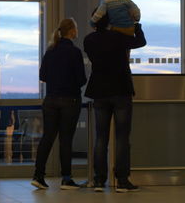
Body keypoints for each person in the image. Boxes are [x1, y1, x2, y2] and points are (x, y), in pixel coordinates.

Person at [83, 14, 146, 193]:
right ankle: (122, 180)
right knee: (122, 137)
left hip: (99, 91)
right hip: (121, 89)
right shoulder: (119, 38)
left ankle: (99, 180)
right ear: (111, 22)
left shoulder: (89, 40)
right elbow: (140, 42)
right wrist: (135, 25)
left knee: (101, 137)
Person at [32, 18, 87, 190]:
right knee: (65, 140)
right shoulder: (75, 52)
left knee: (47, 138)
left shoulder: (50, 51)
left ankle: (38, 176)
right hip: (70, 100)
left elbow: (43, 76)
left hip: (50, 99)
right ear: (71, 31)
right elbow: (81, 79)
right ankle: (66, 178)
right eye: (76, 28)